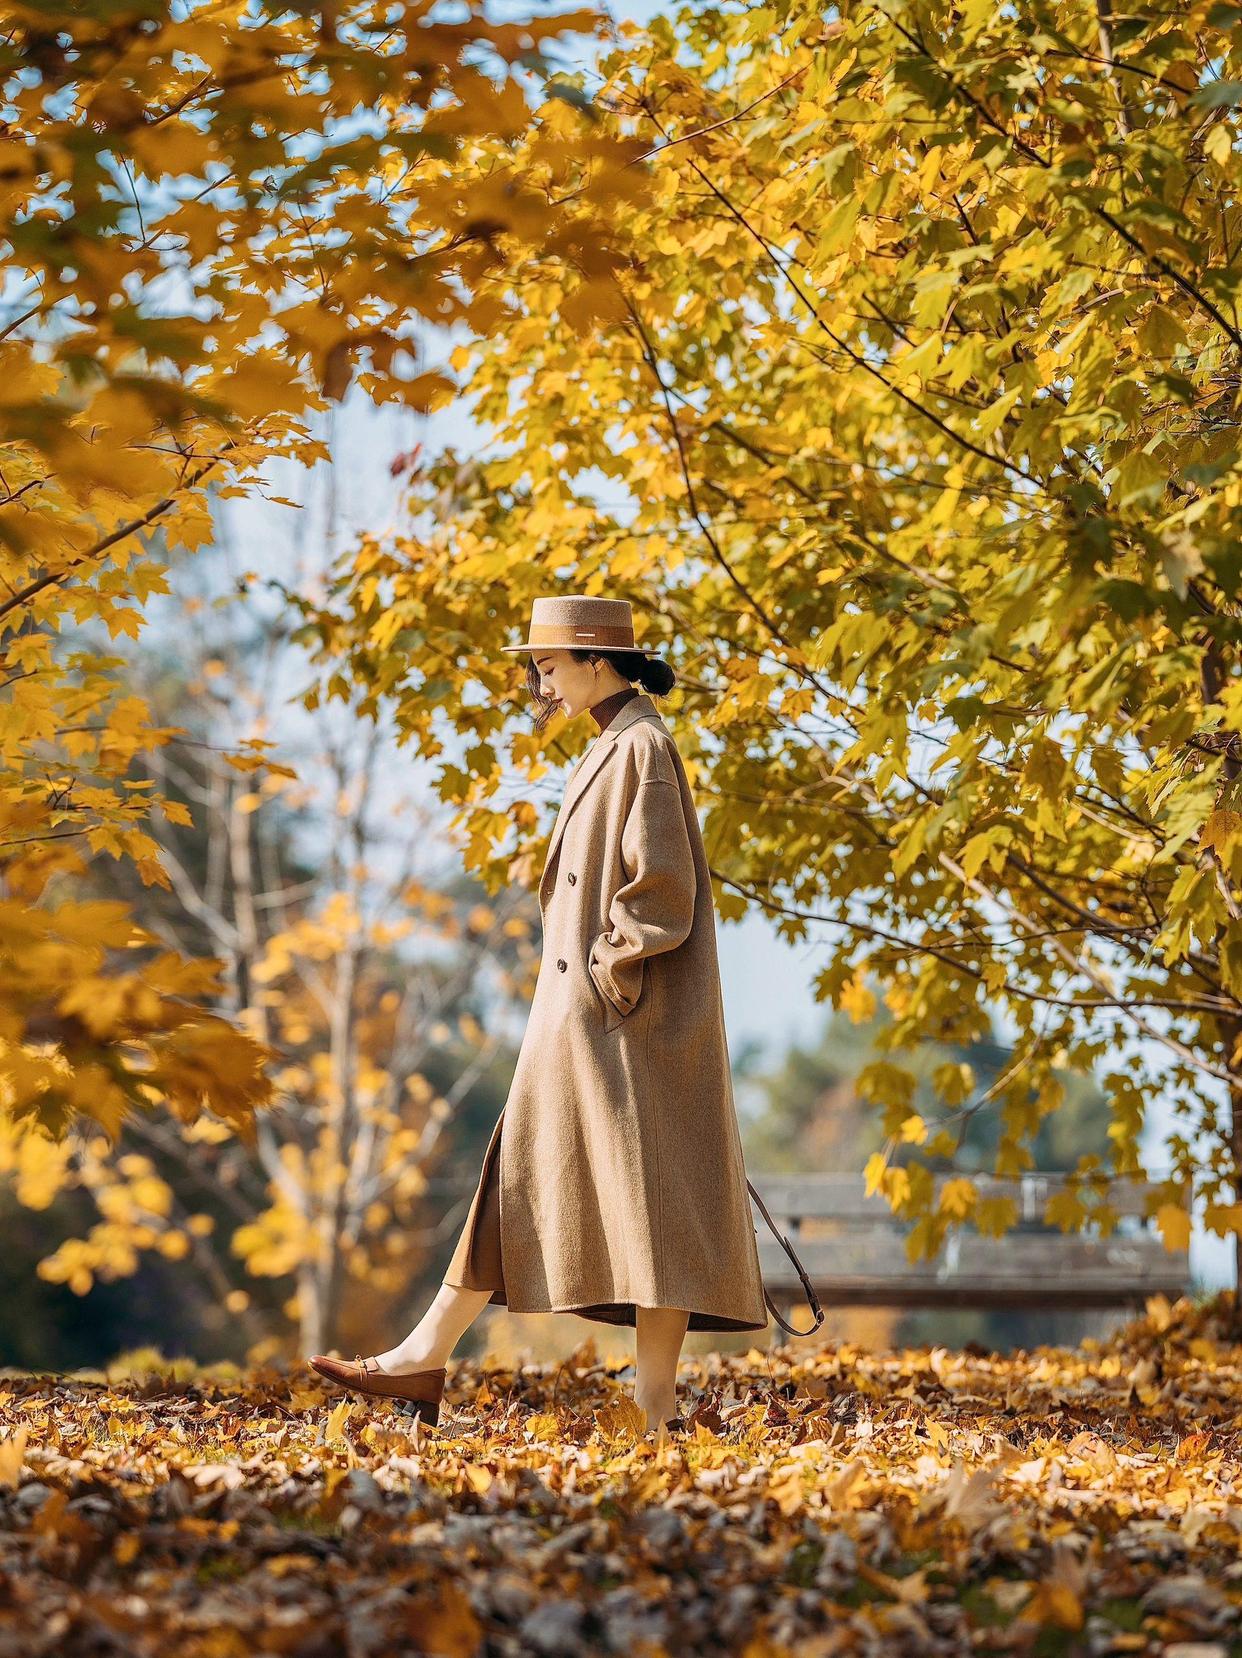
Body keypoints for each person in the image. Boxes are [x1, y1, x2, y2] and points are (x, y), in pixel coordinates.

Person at [309, 594, 769, 1433]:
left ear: (597, 660)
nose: (541, 684)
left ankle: (645, 1405)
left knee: (647, 1208)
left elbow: (663, 889)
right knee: (543, 1180)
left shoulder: (642, 749)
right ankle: (427, 1356)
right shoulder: (618, 744)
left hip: (622, 1027)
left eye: (549, 666)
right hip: (594, 1023)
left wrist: (607, 975)